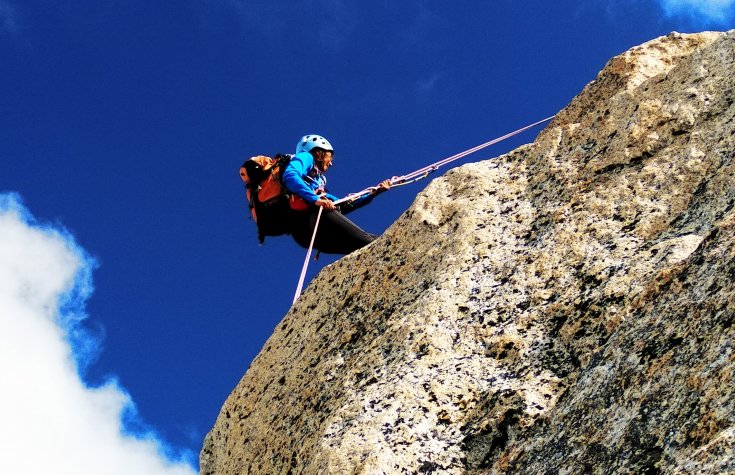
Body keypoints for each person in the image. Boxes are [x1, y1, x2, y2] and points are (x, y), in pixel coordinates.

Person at [281, 134, 390, 255]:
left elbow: (343, 205)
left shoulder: (316, 182)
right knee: (370, 242)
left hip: (305, 236)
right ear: (319, 152)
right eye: (329, 157)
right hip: (309, 223)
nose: (331, 163)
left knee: (362, 246)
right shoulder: (306, 157)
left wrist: (374, 193)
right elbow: (290, 175)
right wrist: (315, 199)